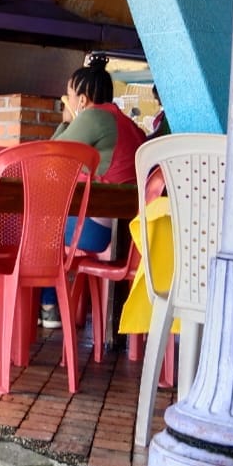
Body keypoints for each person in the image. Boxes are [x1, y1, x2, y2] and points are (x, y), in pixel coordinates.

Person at [39, 53, 147, 328]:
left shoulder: (93, 117)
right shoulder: (127, 123)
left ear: (82, 100)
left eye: (68, 96)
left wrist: (66, 121)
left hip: (99, 231)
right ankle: (43, 306)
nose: (66, 101)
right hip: (130, 234)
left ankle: (43, 307)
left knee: (36, 227)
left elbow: (48, 157)